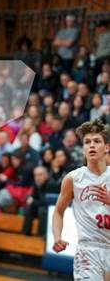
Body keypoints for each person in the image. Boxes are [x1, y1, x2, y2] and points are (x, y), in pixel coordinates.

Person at [52, 119, 110, 281]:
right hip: (88, 250)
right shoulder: (73, 178)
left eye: (97, 141)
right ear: (83, 149)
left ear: (107, 147)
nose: (91, 145)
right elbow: (58, 211)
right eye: (87, 142)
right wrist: (57, 236)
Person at [22, 166, 56, 236]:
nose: (37, 177)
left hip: (51, 211)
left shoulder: (51, 184)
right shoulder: (36, 184)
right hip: (40, 208)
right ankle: (25, 235)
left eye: (40, 174)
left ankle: (40, 236)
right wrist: (29, 198)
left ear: (46, 175)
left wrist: (32, 201)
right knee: (29, 209)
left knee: (42, 210)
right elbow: (32, 197)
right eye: (35, 175)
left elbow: (46, 203)